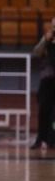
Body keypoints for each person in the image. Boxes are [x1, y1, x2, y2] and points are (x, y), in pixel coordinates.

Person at [31, 17, 55, 149]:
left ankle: (52, 139)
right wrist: (45, 40)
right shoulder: (47, 38)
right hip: (47, 79)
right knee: (43, 110)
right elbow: (36, 52)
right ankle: (40, 138)